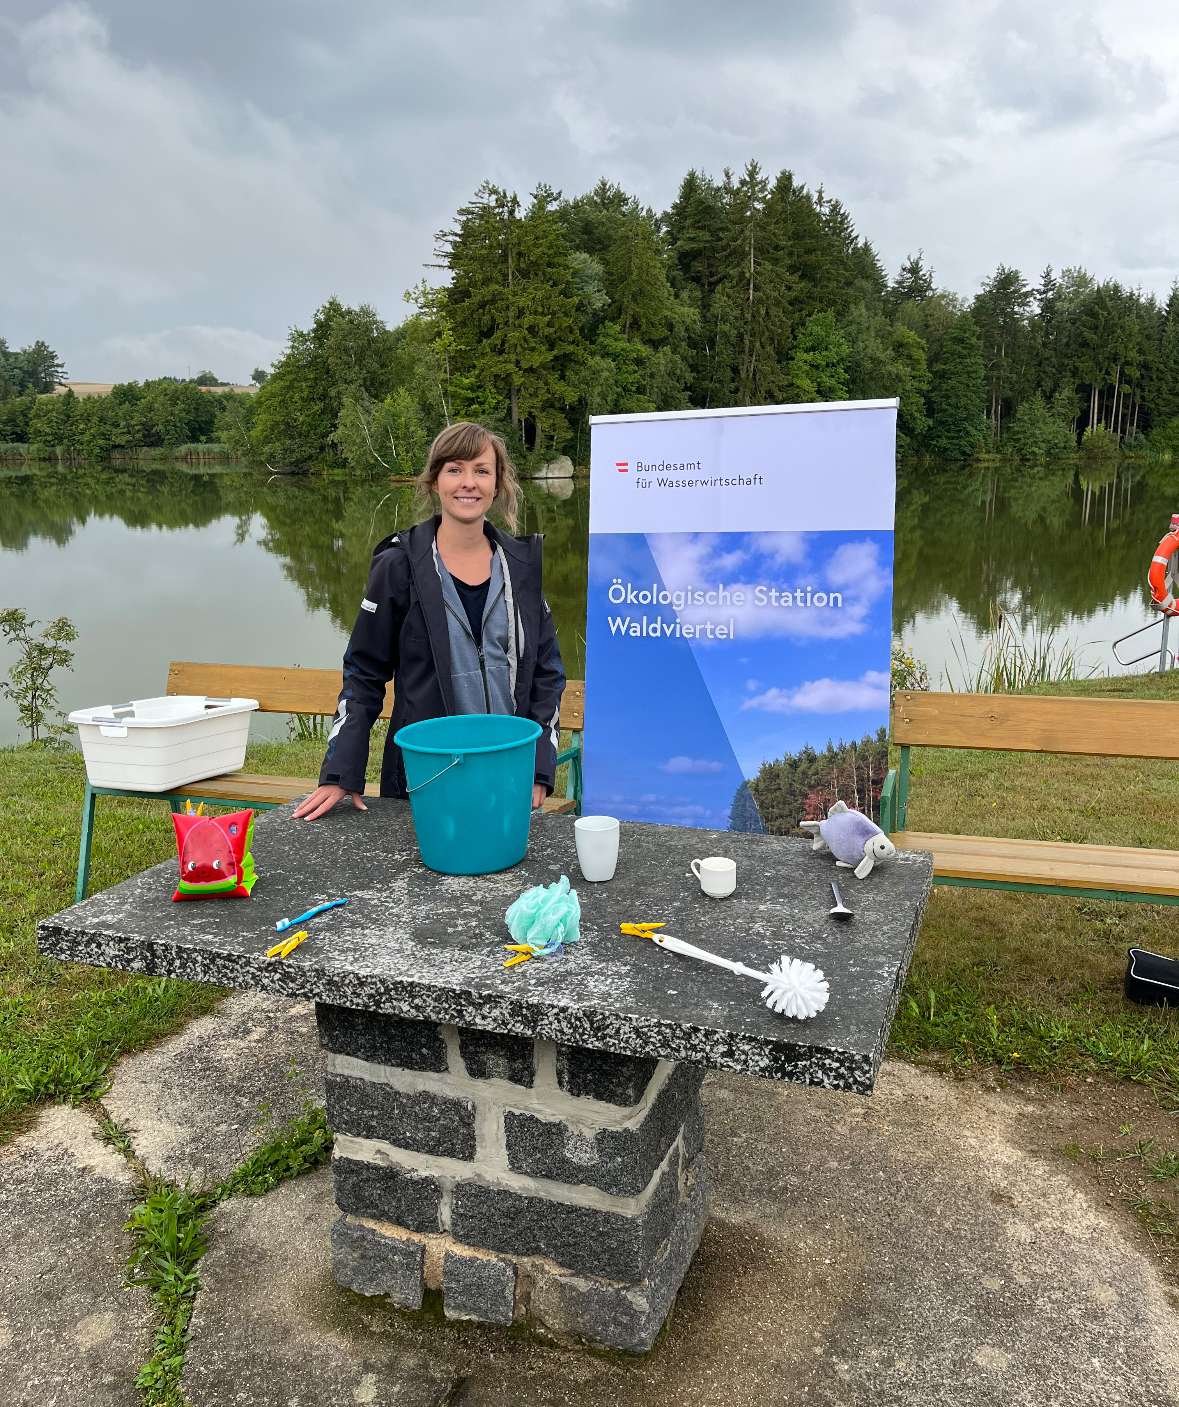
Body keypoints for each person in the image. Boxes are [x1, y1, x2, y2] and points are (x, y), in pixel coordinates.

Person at [293, 422, 566, 822]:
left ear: (498, 482)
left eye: (481, 470)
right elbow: (365, 673)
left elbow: (548, 674)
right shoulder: (398, 565)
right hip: (425, 778)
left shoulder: (521, 567)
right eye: (454, 469)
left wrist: (540, 768)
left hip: (508, 775)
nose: (468, 483)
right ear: (434, 481)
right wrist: (340, 772)